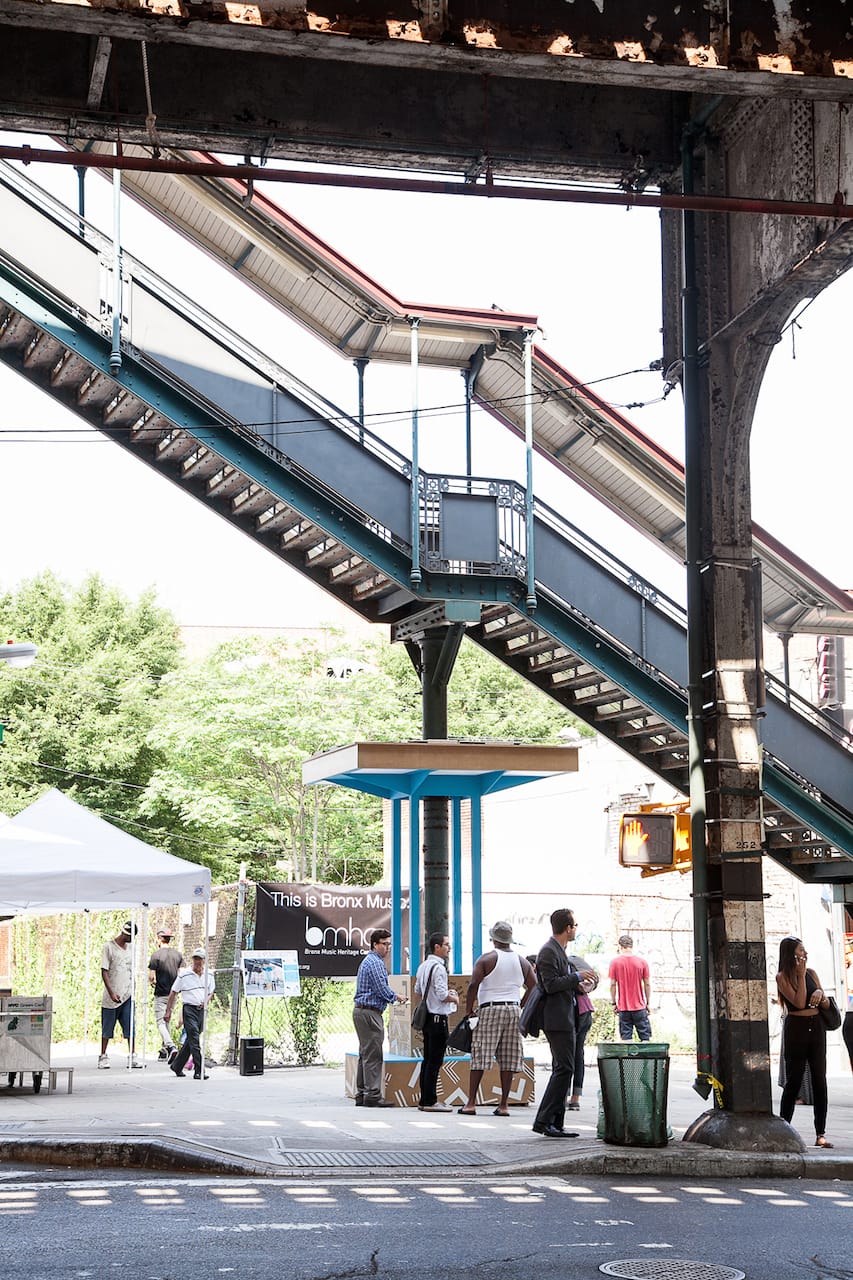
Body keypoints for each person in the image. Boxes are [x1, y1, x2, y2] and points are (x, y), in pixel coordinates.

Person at [457, 921, 536, 1118]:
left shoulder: (487, 959)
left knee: (480, 1054)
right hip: (513, 1010)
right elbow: (534, 986)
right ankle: (503, 1105)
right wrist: (520, 1004)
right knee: (509, 1057)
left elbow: (473, 985)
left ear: (493, 939)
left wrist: (469, 1010)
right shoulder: (522, 962)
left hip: (490, 1009)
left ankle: (471, 1103)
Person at [532, 909, 596, 1138]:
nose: (576, 929)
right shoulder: (549, 951)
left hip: (564, 1016)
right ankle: (544, 1120)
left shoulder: (558, 950)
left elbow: (560, 982)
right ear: (568, 928)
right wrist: (577, 977)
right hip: (556, 1019)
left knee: (564, 1068)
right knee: (564, 1068)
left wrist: (576, 985)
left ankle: (555, 1122)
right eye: (575, 925)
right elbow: (549, 985)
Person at [776, 935, 833, 1148]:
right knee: (793, 1081)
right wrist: (799, 976)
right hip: (796, 1030)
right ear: (791, 953)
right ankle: (783, 1130)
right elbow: (799, 1003)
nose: (805, 954)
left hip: (816, 1028)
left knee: (820, 1080)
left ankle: (820, 1133)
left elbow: (825, 1004)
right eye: (801, 950)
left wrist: (820, 994)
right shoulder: (782, 977)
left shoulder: (811, 974)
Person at [352, 928, 407, 1108]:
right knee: (373, 1055)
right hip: (370, 1013)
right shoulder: (375, 963)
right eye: (384, 944)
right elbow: (381, 988)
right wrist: (397, 997)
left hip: (363, 1012)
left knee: (365, 1054)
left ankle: (362, 1093)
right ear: (375, 944)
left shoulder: (370, 961)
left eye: (389, 944)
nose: (387, 948)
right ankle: (373, 1095)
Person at [413, 931, 458, 1112]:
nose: (449, 948)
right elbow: (441, 994)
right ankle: (431, 1100)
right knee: (435, 1061)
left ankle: (425, 1098)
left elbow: (417, 989)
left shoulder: (423, 966)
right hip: (439, 1018)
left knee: (427, 1059)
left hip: (427, 1019)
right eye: (446, 945)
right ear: (437, 947)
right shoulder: (438, 968)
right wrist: (453, 997)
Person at [165, 947, 215, 1081]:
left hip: (201, 1010)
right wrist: (168, 1010)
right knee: (194, 1037)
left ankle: (177, 1065)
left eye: (200, 960)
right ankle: (199, 1070)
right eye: (195, 959)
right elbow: (173, 992)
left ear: (204, 961)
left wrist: (206, 1001)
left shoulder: (209, 975)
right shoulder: (184, 975)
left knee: (192, 1040)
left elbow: (211, 992)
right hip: (189, 1009)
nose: (197, 962)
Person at [99, 921, 143, 1069]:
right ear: (125, 933)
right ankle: (103, 1055)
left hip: (128, 994)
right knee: (107, 1027)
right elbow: (104, 971)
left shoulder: (131, 948)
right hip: (112, 996)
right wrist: (111, 992)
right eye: (130, 936)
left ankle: (132, 1055)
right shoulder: (109, 947)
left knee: (130, 1026)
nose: (132, 939)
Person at [566, 936, 599, 1112]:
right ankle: (574, 1098)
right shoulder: (575, 961)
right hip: (583, 1011)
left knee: (565, 1056)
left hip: (572, 1013)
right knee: (577, 1054)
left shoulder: (566, 962)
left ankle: (567, 1096)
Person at [148, 929, 184, 1061]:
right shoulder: (178, 955)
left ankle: (170, 1046)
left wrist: (153, 982)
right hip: (173, 993)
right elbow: (180, 974)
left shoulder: (156, 955)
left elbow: (151, 977)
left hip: (161, 993)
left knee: (160, 1022)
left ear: (159, 939)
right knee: (167, 1019)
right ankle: (165, 1051)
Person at [609, 934, 651, 1041]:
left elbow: (613, 984)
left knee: (626, 1040)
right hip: (640, 1007)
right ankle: (645, 1057)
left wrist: (614, 1003)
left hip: (623, 1008)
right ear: (632, 946)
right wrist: (648, 1003)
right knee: (645, 1039)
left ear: (620, 946)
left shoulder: (615, 963)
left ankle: (629, 1058)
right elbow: (647, 984)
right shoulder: (642, 962)